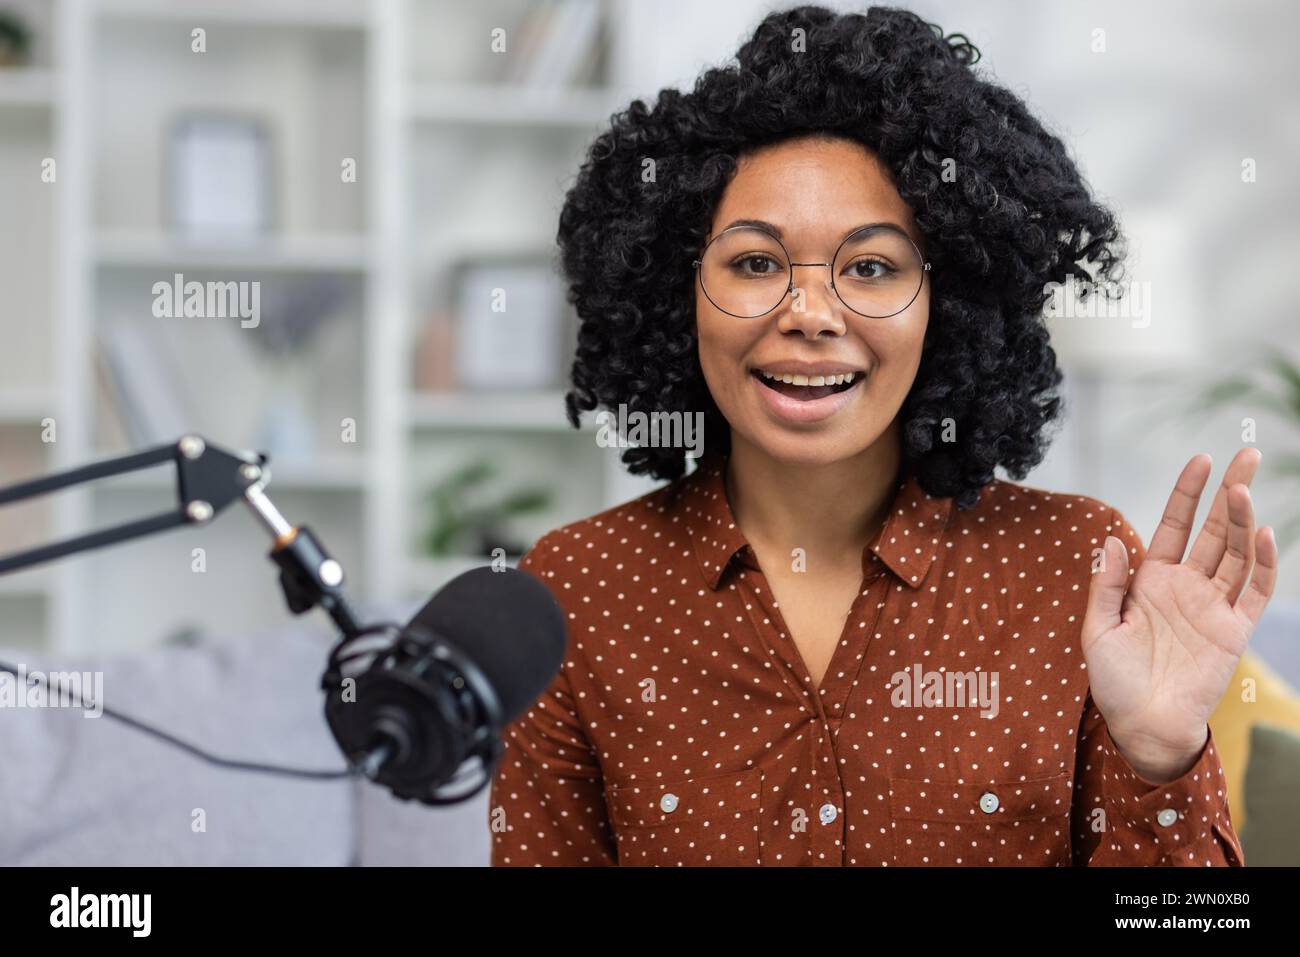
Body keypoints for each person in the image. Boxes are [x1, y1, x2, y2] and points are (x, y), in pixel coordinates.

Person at [487, 4, 1277, 866]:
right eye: (755, 263)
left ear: (950, 304)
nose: (811, 314)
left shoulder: (1079, 567)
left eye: (871, 267)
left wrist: (1158, 755)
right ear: (680, 293)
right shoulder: (577, 593)